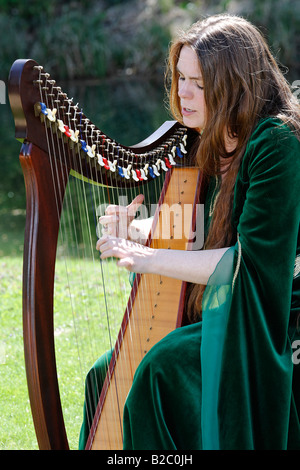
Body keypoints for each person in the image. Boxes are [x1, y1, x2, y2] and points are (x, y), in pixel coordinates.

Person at [79, 13, 300, 450]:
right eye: (180, 78)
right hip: (220, 307)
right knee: (104, 375)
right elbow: (204, 228)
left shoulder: (277, 145)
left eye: (199, 83)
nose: (183, 93)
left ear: (234, 85)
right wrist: (141, 231)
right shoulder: (208, 140)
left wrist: (150, 257)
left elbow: (243, 261)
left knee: (159, 369)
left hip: (267, 317)